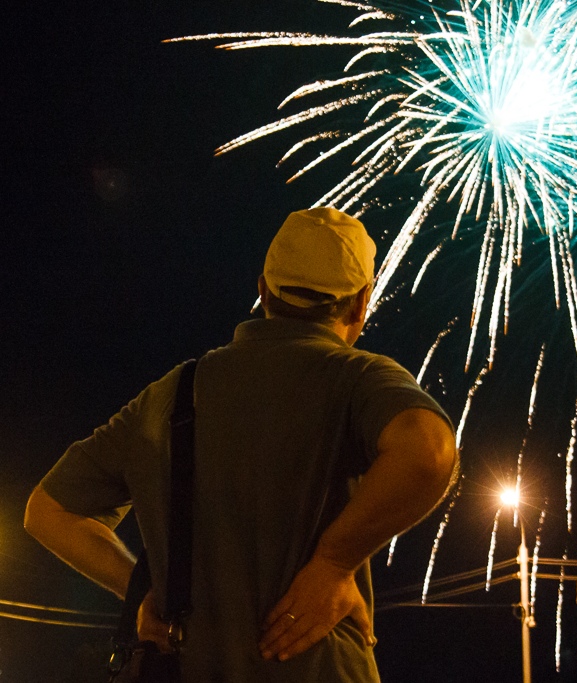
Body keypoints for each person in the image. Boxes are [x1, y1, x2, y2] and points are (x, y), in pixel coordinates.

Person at [24, 207, 458, 681]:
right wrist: (333, 564)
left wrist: (144, 595)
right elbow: (429, 452)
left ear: (263, 290)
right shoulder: (358, 379)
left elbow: (47, 510)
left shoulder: (174, 392)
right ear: (360, 303)